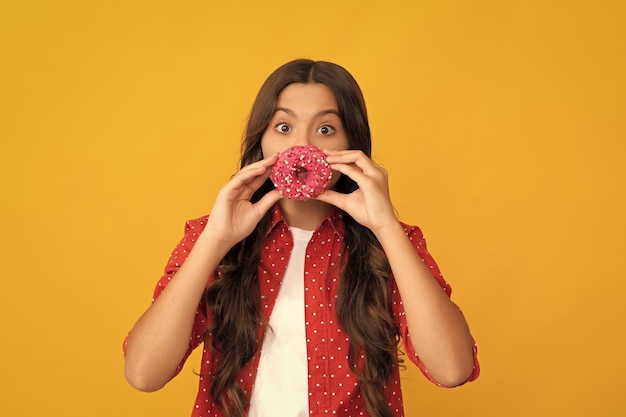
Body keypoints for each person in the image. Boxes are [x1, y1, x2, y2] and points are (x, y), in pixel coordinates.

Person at [123, 59, 480, 417]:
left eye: (325, 129)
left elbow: (452, 369)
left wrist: (386, 226)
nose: (302, 146)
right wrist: (215, 239)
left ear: (351, 145)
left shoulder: (390, 243)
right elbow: (143, 373)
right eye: (283, 126)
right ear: (261, 140)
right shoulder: (211, 237)